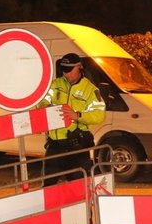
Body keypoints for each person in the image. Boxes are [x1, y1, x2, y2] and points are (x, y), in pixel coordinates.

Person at [38, 53, 106, 185]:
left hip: (76, 147)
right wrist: (45, 106)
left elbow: (99, 115)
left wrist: (78, 116)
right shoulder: (55, 84)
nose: (66, 74)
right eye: (64, 70)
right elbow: (42, 101)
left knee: (79, 189)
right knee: (47, 188)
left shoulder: (90, 90)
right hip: (55, 145)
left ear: (79, 67)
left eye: (69, 70)